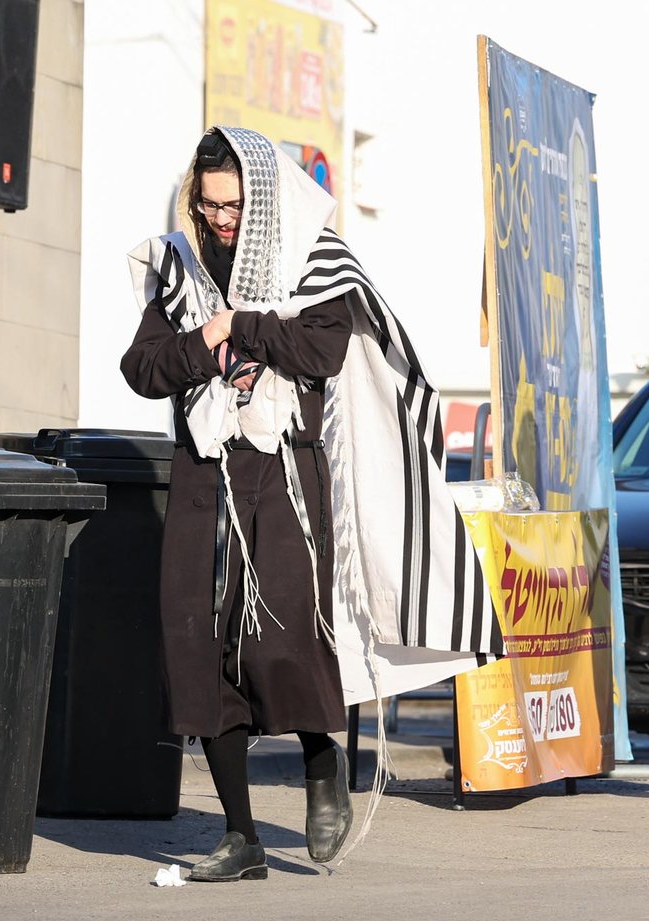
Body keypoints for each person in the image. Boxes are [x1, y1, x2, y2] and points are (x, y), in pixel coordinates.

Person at [121, 127, 501, 879]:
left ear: (260, 200)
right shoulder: (177, 263)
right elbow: (144, 367)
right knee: (198, 644)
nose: (221, 218)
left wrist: (243, 324)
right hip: (204, 467)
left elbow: (320, 351)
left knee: (279, 639)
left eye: (233, 204)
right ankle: (241, 836)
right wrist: (208, 339)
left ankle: (324, 763)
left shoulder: (317, 258)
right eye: (209, 203)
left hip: (287, 467)